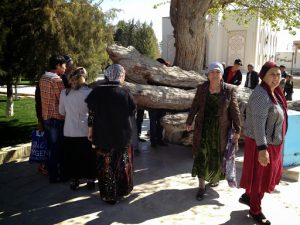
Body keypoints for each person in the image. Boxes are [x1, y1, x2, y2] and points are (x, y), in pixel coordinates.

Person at [239, 61, 288, 225]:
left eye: (278, 74)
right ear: (263, 76)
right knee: (260, 178)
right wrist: (262, 149)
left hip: (272, 143)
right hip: (262, 144)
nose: (275, 78)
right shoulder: (261, 94)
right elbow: (258, 123)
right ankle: (255, 211)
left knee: (259, 176)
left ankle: (248, 196)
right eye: (272, 74)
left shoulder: (275, 92)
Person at [186, 62, 241, 201]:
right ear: (208, 75)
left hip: (220, 130)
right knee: (202, 156)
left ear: (222, 74)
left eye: (217, 72)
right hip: (203, 128)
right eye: (212, 72)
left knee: (216, 157)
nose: (214, 74)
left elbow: (235, 111)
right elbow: (195, 106)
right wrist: (189, 120)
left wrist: (238, 129)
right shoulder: (202, 88)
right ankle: (201, 186)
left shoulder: (229, 90)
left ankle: (214, 178)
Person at [85, 64, 136, 204]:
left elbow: (91, 114)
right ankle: (120, 192)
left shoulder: (97, 91)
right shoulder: (125, 92)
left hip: (102, 135)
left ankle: (108, 195)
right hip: (122, 135)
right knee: (120, 163)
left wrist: (90, 131)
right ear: (120, 75)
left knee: (105, 165)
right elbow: (132, 112)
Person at [59, 67, 96, 190]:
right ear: (84, 78)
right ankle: (90, 179)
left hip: (69, 130)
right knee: (88, 157)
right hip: (86, 130)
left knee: (72, 157)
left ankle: (74, 180)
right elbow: (93, 113)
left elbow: (61, 112)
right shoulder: (90, 92)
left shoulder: (64, 93)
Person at [39, 55, 67, 183]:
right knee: (57, 148)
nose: (66, 68)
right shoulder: (56, 80)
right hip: (56, 118)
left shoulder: (43, 77)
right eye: (64, 65)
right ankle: (56, 175)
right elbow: (63, 100)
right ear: (57, 66)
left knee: (51, 147)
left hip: (46, 117)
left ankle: (51, 173)